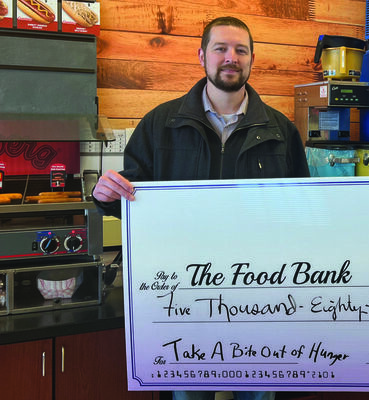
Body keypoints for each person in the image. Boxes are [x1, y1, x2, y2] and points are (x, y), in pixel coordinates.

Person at [92, 16, 310, 400]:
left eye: (241, 50)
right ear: (202, 56)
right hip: (183, 297)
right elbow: (133, 203)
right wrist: (105, 195)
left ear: (252, 59)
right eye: (220, 48)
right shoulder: (160, 124)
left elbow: (302, 210)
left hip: (261, 296)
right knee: (188, 393)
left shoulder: (282, 131)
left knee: (260, 393)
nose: (231, 58)